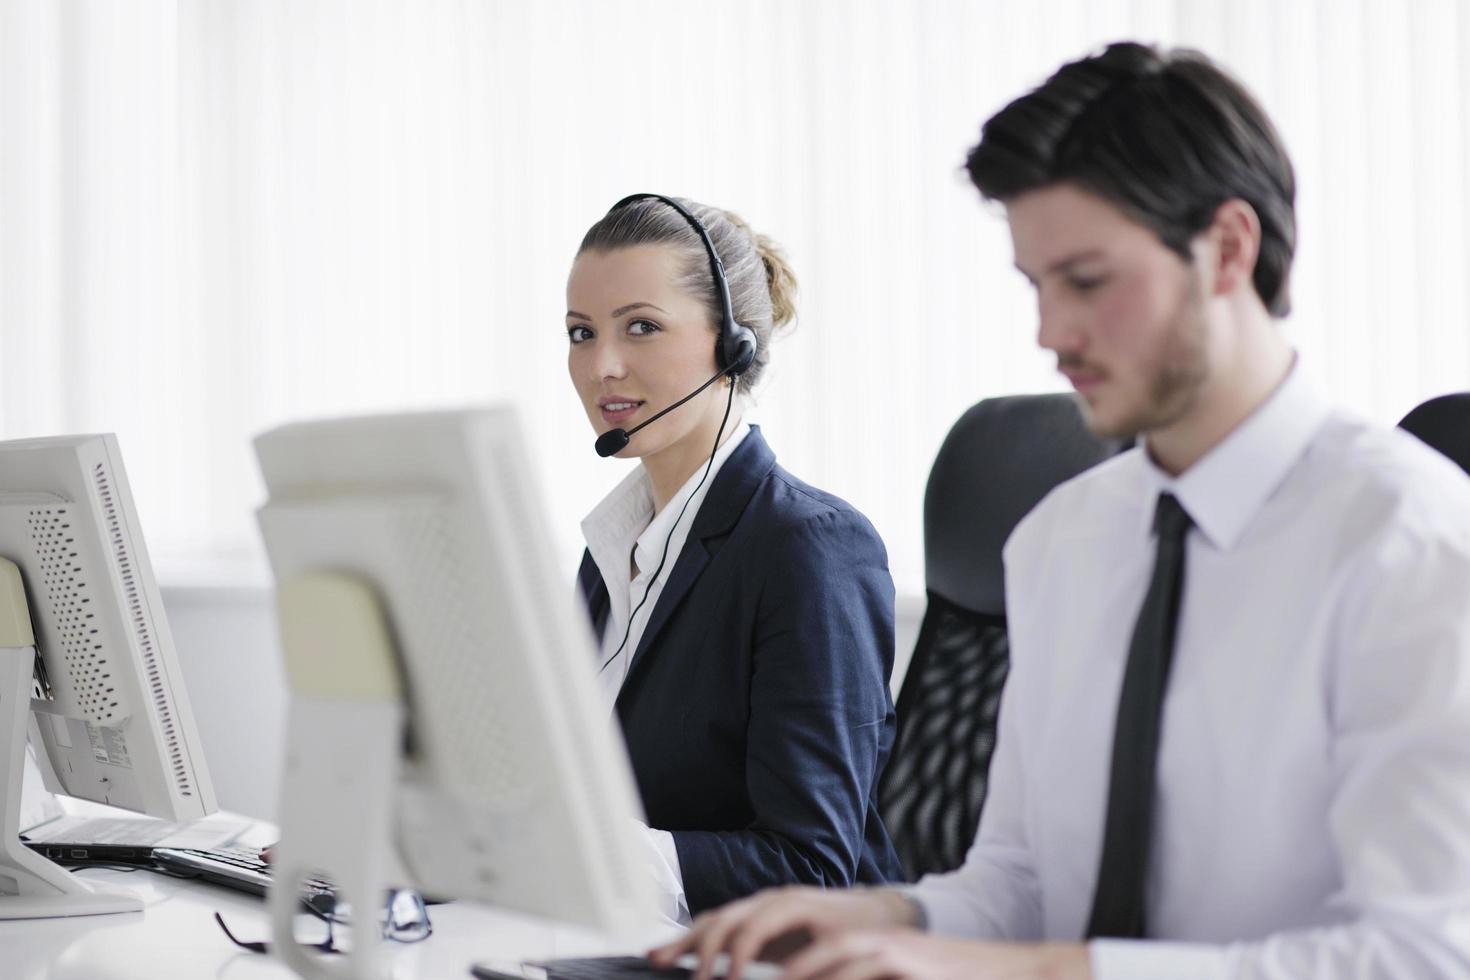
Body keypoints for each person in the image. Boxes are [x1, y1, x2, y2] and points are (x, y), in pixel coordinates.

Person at [652, 42, 1470, 979]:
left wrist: (1038, 973)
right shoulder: (1062, 540)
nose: (1049, 334)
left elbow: (1426, 954)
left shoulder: (1411, 542)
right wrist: (877, 918)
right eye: (1034, 287)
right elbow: (1022, 881)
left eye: (1086, 281)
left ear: (1230, 250)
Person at [567, 194, 902, 923]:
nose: (603, 366)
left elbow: (810, 868)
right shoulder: (608, 554)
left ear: (733, 346)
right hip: (621, 943)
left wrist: (586, 853)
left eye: (642, 328)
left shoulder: (809, 549)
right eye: (581, 333)